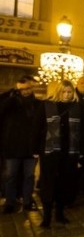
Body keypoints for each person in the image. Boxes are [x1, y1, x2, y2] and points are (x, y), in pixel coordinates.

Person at [38, 80, 83, 227]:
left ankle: (59, 213)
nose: (67, 94)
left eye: (69, 92)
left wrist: (81, 152)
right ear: (59, 91)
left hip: (69, 152)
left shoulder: (77, 106)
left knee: (64, 184)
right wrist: (35, 150)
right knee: (48, 184)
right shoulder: (47, 105)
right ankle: (46, 217)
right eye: (64, 91)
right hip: (50, 152)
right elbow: (37, 128)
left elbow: (83, 130)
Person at [0, 76, 43, 214]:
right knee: (10, 175)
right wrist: (13, 95)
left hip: (31, 147)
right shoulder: (11, 102)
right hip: (12, 146)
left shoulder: (37, 104)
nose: (27, 91)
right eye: (23, 89)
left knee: (29, 176)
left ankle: (27, 201)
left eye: (29, 88)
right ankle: (10, 202)